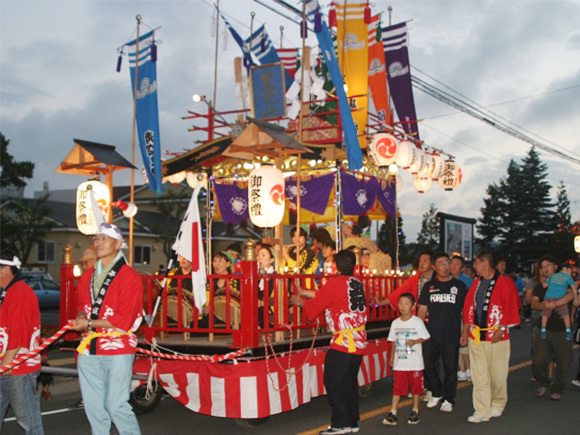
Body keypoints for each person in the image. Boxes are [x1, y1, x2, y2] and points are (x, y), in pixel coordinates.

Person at [69, 223, 143, 435]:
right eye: (96, 239)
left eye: (104, 238)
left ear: (118, 244)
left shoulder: (129, 276)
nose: (98, 242)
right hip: (91, 346)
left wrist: (88, 323)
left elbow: (125, 319)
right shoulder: (88, 276)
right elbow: (82, 306)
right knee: (93, 407)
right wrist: (82, 317)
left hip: (118, 345)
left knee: (116, 405)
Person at [290, 250, 367, 435]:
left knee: (334, 383)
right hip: (358, 340)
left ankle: (340, 423)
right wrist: (306, 293)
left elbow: (319, 303)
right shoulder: (356, 282)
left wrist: (299, 301)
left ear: (336, 265)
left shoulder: (335, 283)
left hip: (343, 342)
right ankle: (351, 421)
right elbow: (330, 295)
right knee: (348, 383)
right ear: (354, 265)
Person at [460, 249, 520, 423]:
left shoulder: (504, 282)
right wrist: (465, 331)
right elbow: (469, 308)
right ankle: (481, 409)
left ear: (485, 263)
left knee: (498, 374)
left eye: (476, 262)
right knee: (479, 375)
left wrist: (501, 327)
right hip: (476, 335)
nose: (474, 266)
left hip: (496, 335)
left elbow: (510, 306)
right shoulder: (476, 283)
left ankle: (498, 402)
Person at [418, 252, 468, 414]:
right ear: (435, 267)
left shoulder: (459, 286)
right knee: (428, 365)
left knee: (450, 369)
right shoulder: (429, 287)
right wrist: (417, 331)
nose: (445, 266)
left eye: (447, 262)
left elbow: (467, 312)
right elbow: (422, 311)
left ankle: (448, 398)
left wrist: (465, 332)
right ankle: (437, 391)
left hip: (451, 334)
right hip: (431, 334)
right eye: (441, 263)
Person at [0, 252, 44, 434]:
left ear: (6, 269)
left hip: (18, 367)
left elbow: (19, 331)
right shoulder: (7, 292)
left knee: (28, 420)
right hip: (6, 366)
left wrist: (7, 361)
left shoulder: (20, 293)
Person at [531, 255, 575, 400]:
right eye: (543, 267)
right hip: (544, 329)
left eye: (548, 265)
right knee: (538, 361)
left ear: (555, 267)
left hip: (563, 329)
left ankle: (558, 388)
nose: (545, 269)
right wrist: (545, 305)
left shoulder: (564, 282)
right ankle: (544, 381)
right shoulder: (540, 286)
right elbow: (534, 303)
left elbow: (570, 296)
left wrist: (554, 304)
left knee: (564, 362)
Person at [383, 293, 430, 426]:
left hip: (415, 362)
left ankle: (415, 410)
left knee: (416, 388)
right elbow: (393, 341)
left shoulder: (417, 322)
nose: (403, 307)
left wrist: (415, 341)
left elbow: (426, 337)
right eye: (401, 303)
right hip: (400, 362)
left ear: (413, 306)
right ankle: (393, 412)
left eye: (407, 304)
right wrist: (392, 356)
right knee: (397, 388)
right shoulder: (395, 323)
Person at [375, 250, 434, 314]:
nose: (422, 264)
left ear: (432, 263)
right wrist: (380, 303)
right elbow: (399, 292)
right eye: (420, 261)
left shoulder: (438, 278)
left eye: (425, 261)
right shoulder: (414, 279)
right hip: (419, 313)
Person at [540, 264, 578, 340]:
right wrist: (576, 299)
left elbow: (544, 286)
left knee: (545, 314)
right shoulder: (568, 277)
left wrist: (542, 277)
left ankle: (543, 329)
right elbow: (574, 289)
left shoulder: (552, 276)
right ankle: (568, 330)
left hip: (549, 298)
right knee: (565, 315)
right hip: (560, 299)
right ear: (566, 269)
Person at [450, 255, 472, 381]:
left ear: (462, 268)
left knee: (465, 344)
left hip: (464, 315)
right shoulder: (446, 278)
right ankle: (462, 370)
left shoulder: (467, 280)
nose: (453, 266)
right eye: (452, 263)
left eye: (457, 264)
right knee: (455, 344)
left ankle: (469, 369)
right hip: (452, 316)